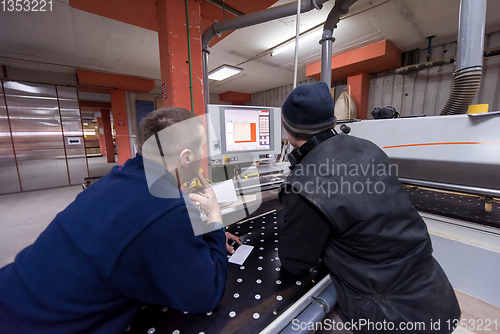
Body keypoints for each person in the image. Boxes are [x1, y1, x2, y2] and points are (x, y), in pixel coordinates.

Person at [0, 107, 238, 333]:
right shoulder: (164, 209)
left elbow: (138, 232)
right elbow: (207, 294)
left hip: (13, 294)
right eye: (202, 149)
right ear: (186, 157)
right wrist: (214, 217)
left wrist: (188, 229)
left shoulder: (118, 177)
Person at [278, 82, 461, 333]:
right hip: (435, 293)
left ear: (289, 130)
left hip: (386, 314)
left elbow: (295, 262)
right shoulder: (369, 148)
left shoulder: (303, 184)